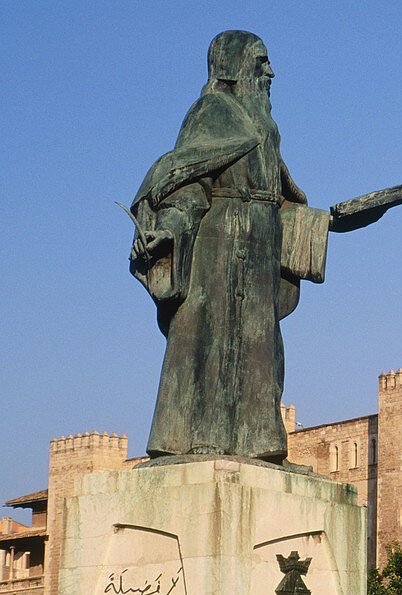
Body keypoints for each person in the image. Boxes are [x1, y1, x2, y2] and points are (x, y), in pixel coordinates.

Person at [129, 31, 327, 463]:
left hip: (260, 249)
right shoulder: (211, 112)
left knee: (263, 345)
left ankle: (260, 444)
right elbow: (185, 183)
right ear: (233, 70)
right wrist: (169, 228)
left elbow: (282, 199)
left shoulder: (266, 128)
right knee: (210, 337)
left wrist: (324, 223)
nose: (270, 73)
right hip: (218, 248)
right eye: (260, 63)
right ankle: (201, 436)